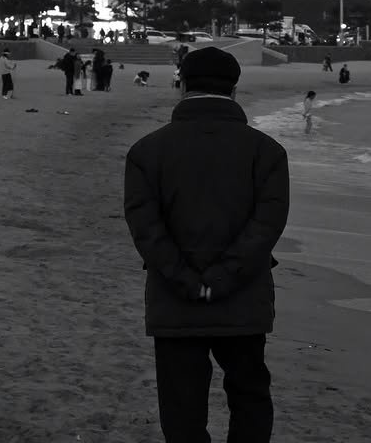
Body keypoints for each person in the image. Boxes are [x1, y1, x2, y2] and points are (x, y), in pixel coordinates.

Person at [124, 46, 290, 443]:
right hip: (243, 297)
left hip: (174, 299)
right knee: (249, 397)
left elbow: (146, 229)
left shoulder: (147, 150)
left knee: (181, 408)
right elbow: (266, 226)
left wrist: (187, 279)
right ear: (234, 90)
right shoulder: (266, 151)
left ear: (182, 86)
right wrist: (221, 278)